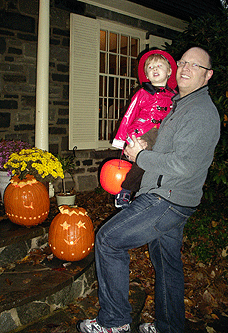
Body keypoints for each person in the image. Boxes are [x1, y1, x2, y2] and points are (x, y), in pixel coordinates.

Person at [76, 46, 220, 333]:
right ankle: (170, 327)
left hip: (166, 198)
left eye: (195, 65)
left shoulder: (202, 112)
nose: (186, 68)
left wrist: (140, 157)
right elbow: (161, 137)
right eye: (182, 62)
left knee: (108, 240)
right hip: (169, 197)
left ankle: (114, 322)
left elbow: (184, 164)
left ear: (208, 75)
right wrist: (141, 141)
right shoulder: (180, 103)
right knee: (167, 264)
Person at [112, 50, 177, 209]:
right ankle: (126, 190)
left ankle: (148, 194)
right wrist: (123, 140)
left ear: (169, 71)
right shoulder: (142, 93)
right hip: (142, 132)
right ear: (146, 75)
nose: (155, 69)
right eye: (150, 67)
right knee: (144, 160)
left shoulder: (174, 96)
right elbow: (129, 114)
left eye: (159, 66)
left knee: (158, 165)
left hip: (163, 134)